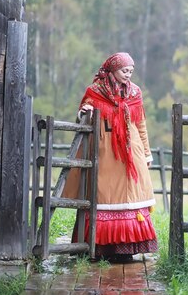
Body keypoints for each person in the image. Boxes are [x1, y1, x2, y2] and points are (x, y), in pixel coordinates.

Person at [62, 52, 157, 262]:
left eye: (131, 71)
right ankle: (98, 247)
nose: (128, 75)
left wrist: (147, 153)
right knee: (102, 195)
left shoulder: (134, 92)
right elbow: (83, 113)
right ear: (113, 69)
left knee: (130, 197)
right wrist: (84, 112)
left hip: (130, 154)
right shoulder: (95, 91)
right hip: (104, 152)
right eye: (124, 70)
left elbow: (140, 124)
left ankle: (126, 249)